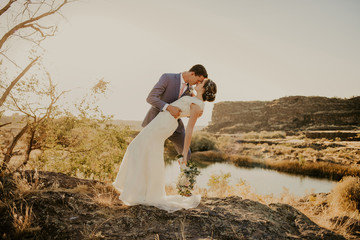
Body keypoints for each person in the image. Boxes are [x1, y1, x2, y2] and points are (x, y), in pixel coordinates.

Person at [112, 74, 217, 212]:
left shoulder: (198, 106)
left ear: (204, 89)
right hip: (160, 121)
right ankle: (143, 191)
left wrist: (184, 154)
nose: (199, 82)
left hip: (165, 125)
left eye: (202, 82)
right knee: (144, 151)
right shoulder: (193, 97)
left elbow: (190, 130)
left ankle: (141, 192)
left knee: (137, 148)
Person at [142, 64, 208, 159]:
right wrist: (168, 107)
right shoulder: (167, 78)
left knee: (186, 153)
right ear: (192, 74)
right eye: (198, 80)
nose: (197, 83)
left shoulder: (190, 89)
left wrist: (196, 113)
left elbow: (186, 107)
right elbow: (150, 98)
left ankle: (184, 173)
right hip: (156, 120)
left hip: (175, 125)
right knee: (146, 152)